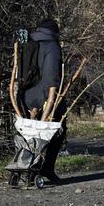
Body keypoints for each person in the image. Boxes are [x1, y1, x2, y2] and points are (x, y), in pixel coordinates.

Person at [22, 19, 64, 183]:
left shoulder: (29, 43)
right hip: (45, 97)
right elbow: (51, 76)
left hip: (26, 97)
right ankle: (45, 169)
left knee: (29, 135)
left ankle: (27, 169)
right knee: (56, 131)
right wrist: (49, 100)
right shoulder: (52, 46)